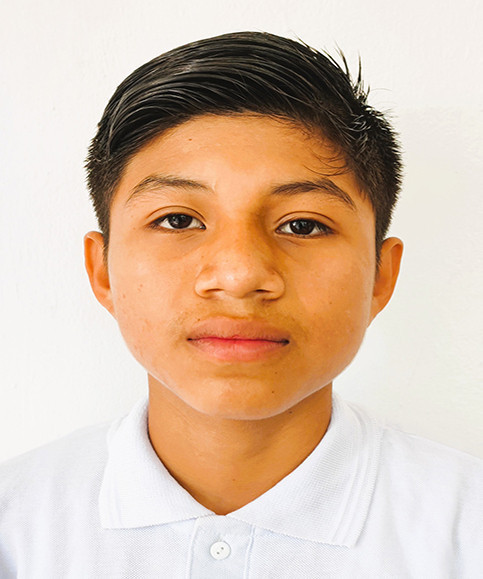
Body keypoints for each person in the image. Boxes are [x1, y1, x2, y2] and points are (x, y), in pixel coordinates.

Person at [0, 31, 481, 577]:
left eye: (302, 225)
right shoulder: (16, 529)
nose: (239, 275)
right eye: (178, 220)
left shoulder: (466, 532)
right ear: (102, 269)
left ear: (380, 276)